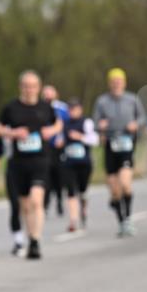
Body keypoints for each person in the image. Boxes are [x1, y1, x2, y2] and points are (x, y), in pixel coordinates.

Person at [0, 70, 62, 259]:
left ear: (38, 87)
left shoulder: (45, 107)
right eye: (26, 86)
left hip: (40, 160)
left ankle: (35, 241)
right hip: (19, 162)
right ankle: (31, 236)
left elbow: (58, 124)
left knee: (36, 200)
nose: (29, 89)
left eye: (33, 86)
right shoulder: (11, 108)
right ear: (20, 87)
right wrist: (14, 134)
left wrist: (51, 131)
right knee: (25, 206)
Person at [92, 68, 146, 237]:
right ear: (109, 83)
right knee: (114, 190)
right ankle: (121, 221)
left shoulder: (132, 99)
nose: (116, 84)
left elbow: (143, 118)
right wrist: (99, 126)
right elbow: (94, 122)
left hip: (127, 144)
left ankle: (128, 219)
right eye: (113, 81)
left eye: (119, 81)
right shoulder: (101, 101)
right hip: (110, 145)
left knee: (125, 184)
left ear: (124, 82)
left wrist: (135, 124)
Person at [60, 99, 99, 232]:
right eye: (70, 109)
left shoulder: (86, 122)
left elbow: (95, 140)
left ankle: (83, 209)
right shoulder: (64, 123)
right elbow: (60, 139)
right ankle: (73, 220)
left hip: (84, 163)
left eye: (75, 109)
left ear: (80, 110)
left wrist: (80, 137)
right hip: (69, 163)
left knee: (82, 191)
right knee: (70, 191)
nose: (72, 112)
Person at [41, 85, 69, 217]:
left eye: (50, 93)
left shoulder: (62, 108)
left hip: (59, 147)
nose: (48, 95)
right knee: (45, 176)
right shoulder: (40, 107)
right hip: (44, 147)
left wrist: (63, 139)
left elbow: (67, 125)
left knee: (59, 175)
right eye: (45, 93)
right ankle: (45, 204)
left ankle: (59, 201)